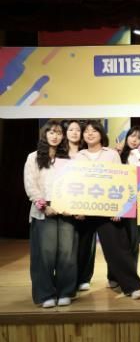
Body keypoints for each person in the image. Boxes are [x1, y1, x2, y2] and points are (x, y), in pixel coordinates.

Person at [75, 120, 140, 298]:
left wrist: (118, 209)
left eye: (94, 131)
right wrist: (77, 208)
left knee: (118, 248)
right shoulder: (79, 155)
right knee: (80, 249)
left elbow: (119, 181)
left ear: (101, 134)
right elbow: (75, 182)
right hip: (84, 209)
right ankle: (75, 284)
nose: (90, 134)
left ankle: (131, 286)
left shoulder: (111, 154)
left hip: (107, 209)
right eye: (86, 131)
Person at [23, 120, 76, 308]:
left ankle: (65, 291)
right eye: (51, 132)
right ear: (44, 134)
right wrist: (44, 206)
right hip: (43, 209)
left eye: (59, 133)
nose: (55, 136)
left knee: (67, 253)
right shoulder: (34, 157)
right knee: (45, 254)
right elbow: (30, 185)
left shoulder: (68, 159)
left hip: (67, 209)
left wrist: (73, 206)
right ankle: (45, 294)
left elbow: (75, 184)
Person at [120, 126, 140, 287]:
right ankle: (129, 277)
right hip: (127, 204)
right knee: (130, 242)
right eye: (132, 136)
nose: (134, 140)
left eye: (139, 137)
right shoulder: (119, 156)